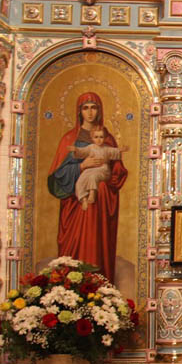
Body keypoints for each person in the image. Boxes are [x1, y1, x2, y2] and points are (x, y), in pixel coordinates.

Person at [47, 92, 128, 284]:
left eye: (94, 108)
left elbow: (118, 171)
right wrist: (82, 166)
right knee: (73, 250)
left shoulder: (108, 139)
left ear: (99, 111)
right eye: (85, 108)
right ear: (79, 111)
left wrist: (108, 177)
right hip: (74, 205)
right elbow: (56, 177)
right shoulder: (69, 139)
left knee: (96, 244)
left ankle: (100, 285)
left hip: (100, 207)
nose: (90, 112)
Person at [68, 126, 129, 210]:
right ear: (92, 138)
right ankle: (83, 199)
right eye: (96, 137)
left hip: (103, 170)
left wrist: (121, 150)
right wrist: (76, 150)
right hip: (91, 169)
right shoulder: (91, 147)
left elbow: (115, 151)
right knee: (80, 181)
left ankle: (92, 193)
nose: (99, 140)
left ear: (105, 138)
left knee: (93, 177)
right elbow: (82, 151)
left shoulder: (106, 148)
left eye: (101, 137)